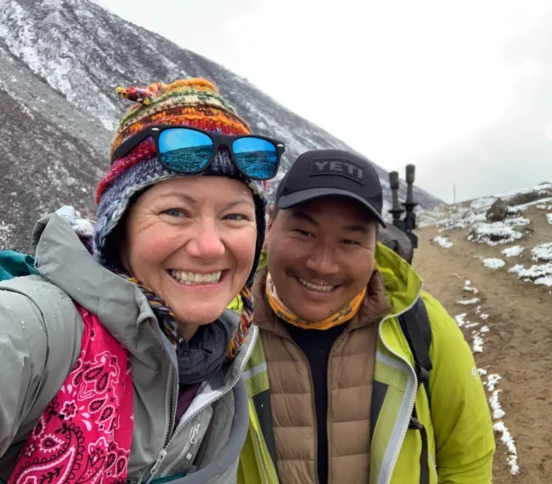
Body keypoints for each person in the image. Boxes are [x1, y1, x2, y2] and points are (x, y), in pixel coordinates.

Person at [0, 78, 285, 483]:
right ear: (119, 226)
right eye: (176, 212)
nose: (209, 246)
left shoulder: (220, 369)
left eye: (235, 216)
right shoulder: (35, 331)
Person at [238, 150, 495, 484]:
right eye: (304, 233)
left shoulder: (419, 324)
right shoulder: (224, 329)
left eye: (350, 241)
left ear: (375, 248)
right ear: (269, 225)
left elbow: (468, 461)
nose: (323, 264)